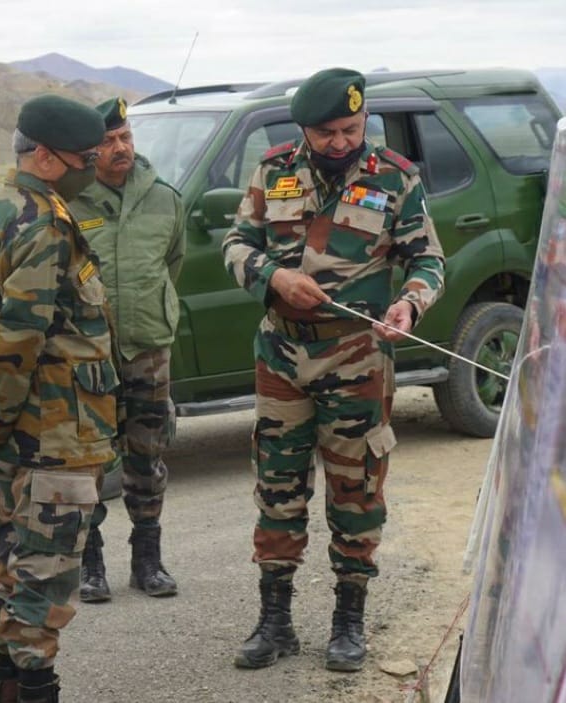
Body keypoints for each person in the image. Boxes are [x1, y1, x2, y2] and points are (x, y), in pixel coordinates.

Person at [222, 68, 445, 672]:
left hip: (357, 357)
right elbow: (236, 245)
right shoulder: (273, 171)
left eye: (352, 127)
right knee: (278, 485)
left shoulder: (395, 178)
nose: (342, 141)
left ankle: (349, 618)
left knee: (357, 487)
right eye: (328, 132)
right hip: (281, 357)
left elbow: (427, 258)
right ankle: (275, 619)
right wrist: (273, 277)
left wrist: (409, 304)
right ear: (305, 129)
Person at [0, 93, 113, 703]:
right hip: (54, 432)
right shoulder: (43, 224)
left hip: (25, 429)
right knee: (43, 578)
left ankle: (9, 688)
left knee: (14, 562)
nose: (92, 166)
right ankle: (34, 688)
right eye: (84, 157)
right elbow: (16, 335)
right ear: (45, 157)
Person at [68, 96, 185, 603]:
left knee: (147, 454)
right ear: (88, 150)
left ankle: (148, 559)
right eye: (107, 141)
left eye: (125, 137)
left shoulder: (164, 198)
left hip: (148, 350)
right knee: (90, 458)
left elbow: (171, 263)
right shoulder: (70, 201)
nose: (119, 148)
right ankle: (89, 563)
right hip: (88, 354)